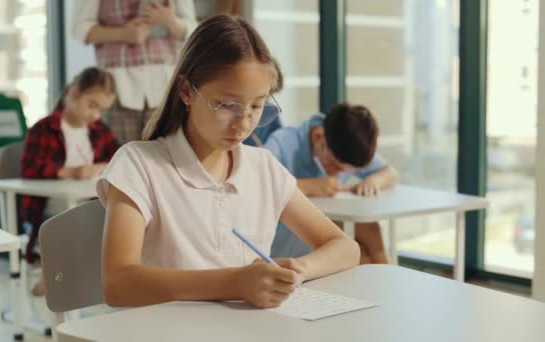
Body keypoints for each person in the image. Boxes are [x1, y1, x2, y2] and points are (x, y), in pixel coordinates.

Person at [96, 15, 360, 309]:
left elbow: (345, 247)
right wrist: (234, 283)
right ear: (186, 91)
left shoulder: (263, 168)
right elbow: (118, 284)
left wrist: (297, 271)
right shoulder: (139, 166)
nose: (243, 123)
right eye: (226, 106)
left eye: (257, 106)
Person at [21, 67, 119, 295]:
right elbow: (30, 169)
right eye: (92, 105)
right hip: (51, 209)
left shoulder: (99, 131)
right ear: (74, 93)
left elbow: (120, 155)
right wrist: (72, 171)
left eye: (102, 110)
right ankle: (54, 273)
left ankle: (86, 276)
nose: (96, 115)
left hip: (92, 204)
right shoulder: (44, 128)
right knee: (66, 225)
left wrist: (103, 166)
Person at [265, 103, 399, 264]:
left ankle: (386, 271)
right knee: (367, 229)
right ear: (318, 136)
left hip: (317, 240)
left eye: (347, 171)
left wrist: (373, 181)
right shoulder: (283, 142)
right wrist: (309, 186)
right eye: (334, 165)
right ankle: (388, 271)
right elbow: (259, 185)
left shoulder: (348, 145)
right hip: (281, 240)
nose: (337, 173)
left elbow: (390, 172)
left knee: (365, 255)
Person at [73, 0, 198, 145]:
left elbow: (193, 31)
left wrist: (170, 22)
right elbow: (80, 28)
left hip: (166, 86)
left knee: (167, 161)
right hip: (118, 86)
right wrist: (124, 33)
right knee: (120, 159)